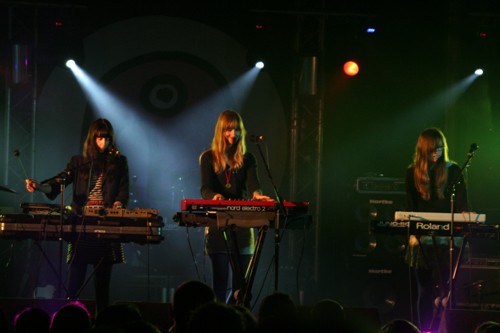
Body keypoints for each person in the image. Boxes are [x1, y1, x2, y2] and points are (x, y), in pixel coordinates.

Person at [26, 118, 129, 314]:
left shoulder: (119, 162)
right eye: (99, 138)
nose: (103, 143)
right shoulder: (79, 162)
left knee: (102, 283)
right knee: (74, 279)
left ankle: (101, 322)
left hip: (105, 224)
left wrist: (116, 207)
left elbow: (123, 191)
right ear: (92, 139)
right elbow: (59, 182)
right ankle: (69, 319)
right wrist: (39, 186)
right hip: (80, 224)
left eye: (106, 139)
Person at [199, 110, 273, 304]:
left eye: (237, 130)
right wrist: (215, 197)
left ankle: (238, 318)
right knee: (220, 284)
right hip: (218, 224)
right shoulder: (208, 158)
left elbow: (253, 185)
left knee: (242, 286)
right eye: (229, 130)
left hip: (242, 224)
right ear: (221, 131)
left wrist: (257, 195)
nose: (234, 135)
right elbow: (205, 187)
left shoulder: (248, 159)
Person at [405, 127, 469, 331]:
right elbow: (410, 209)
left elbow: (463, 206)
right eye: (432, 149)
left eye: (440, 148)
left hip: (448, 239)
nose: (437, 152)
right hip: (423, 238)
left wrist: (466, 224)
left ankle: (449, 328)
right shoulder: (412, 173)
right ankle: (423, 329)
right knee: (424, 290)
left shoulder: (453, 170)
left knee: (448, 292)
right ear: (423, 149)